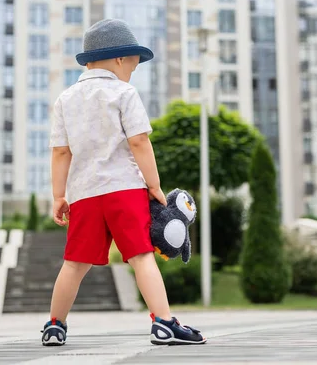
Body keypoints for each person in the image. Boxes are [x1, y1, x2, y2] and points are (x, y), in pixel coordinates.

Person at [41, 19, 206, 347]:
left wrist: (59, 195)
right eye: (133, 62)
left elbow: (61, 152)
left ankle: (55, 326)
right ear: (118, 59)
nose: (134, 69)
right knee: (141, 256)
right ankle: (164, 323)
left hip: (84, 194)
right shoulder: (124, 92)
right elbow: (140, 142)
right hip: (124, 189)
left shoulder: (66, 100)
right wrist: (154, 185)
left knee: (74, 263)